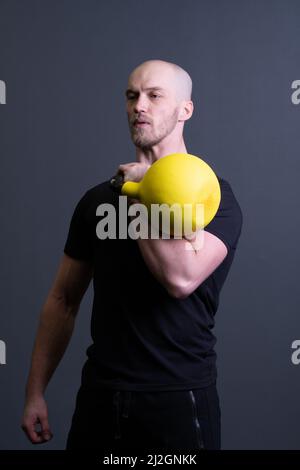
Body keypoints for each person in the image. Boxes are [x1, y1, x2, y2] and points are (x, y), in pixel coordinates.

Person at [21, 59, 243, 451]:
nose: (139, 105)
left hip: (177, 398)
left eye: (154, 96)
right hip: (101, 398)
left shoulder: (214, 199)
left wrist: (142, 190)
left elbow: (180, 278)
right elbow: (63, 300)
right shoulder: (97, 201)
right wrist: (35, 391)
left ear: (185, 110)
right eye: (132, 95)